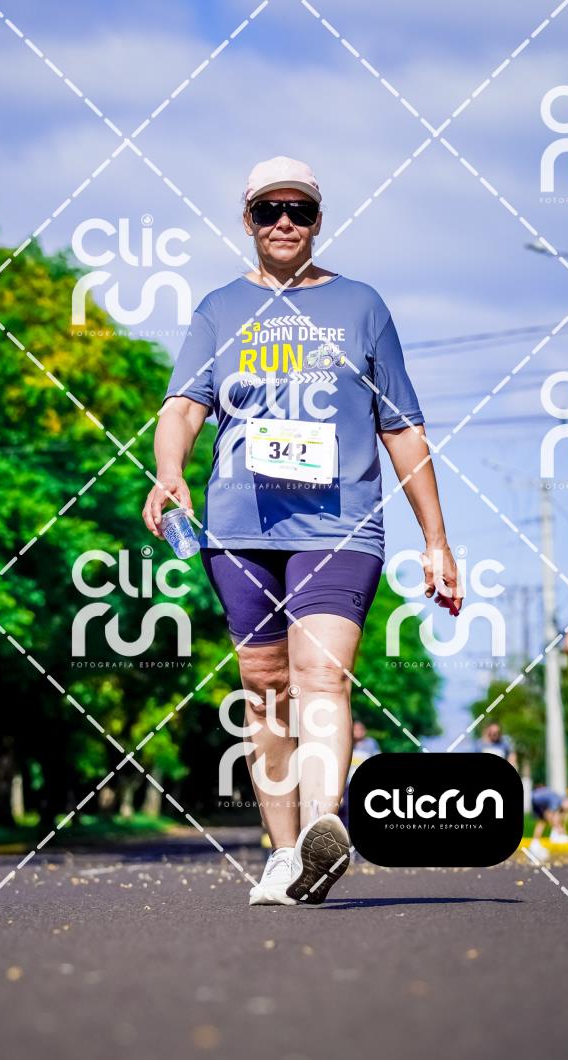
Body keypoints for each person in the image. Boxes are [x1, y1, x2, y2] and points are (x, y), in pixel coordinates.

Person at [142, 155, 463, 906]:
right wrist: (169, 470)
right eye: (269, 210)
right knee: (265, 691)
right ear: (247, 220)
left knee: (321, 674)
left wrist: (436, 540)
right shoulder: (219, 309)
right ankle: (285, 855)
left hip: (340, 523)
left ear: (318, 220)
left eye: (300, 210)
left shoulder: (362, 306)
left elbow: (402, 427)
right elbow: (183, 406)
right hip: (238, 526)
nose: (284, 222)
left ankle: (325, 825)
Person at [529, 785, 568, 861]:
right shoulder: (556, 800)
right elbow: (549, 814)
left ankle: (535, 843)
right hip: (536, 799)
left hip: (535, 797)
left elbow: (555, 815)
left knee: (542, 821)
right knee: (546, 819)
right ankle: (554, 835)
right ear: (566, 800)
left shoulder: (559, 800)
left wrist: (559, 826)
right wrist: (558, 828)